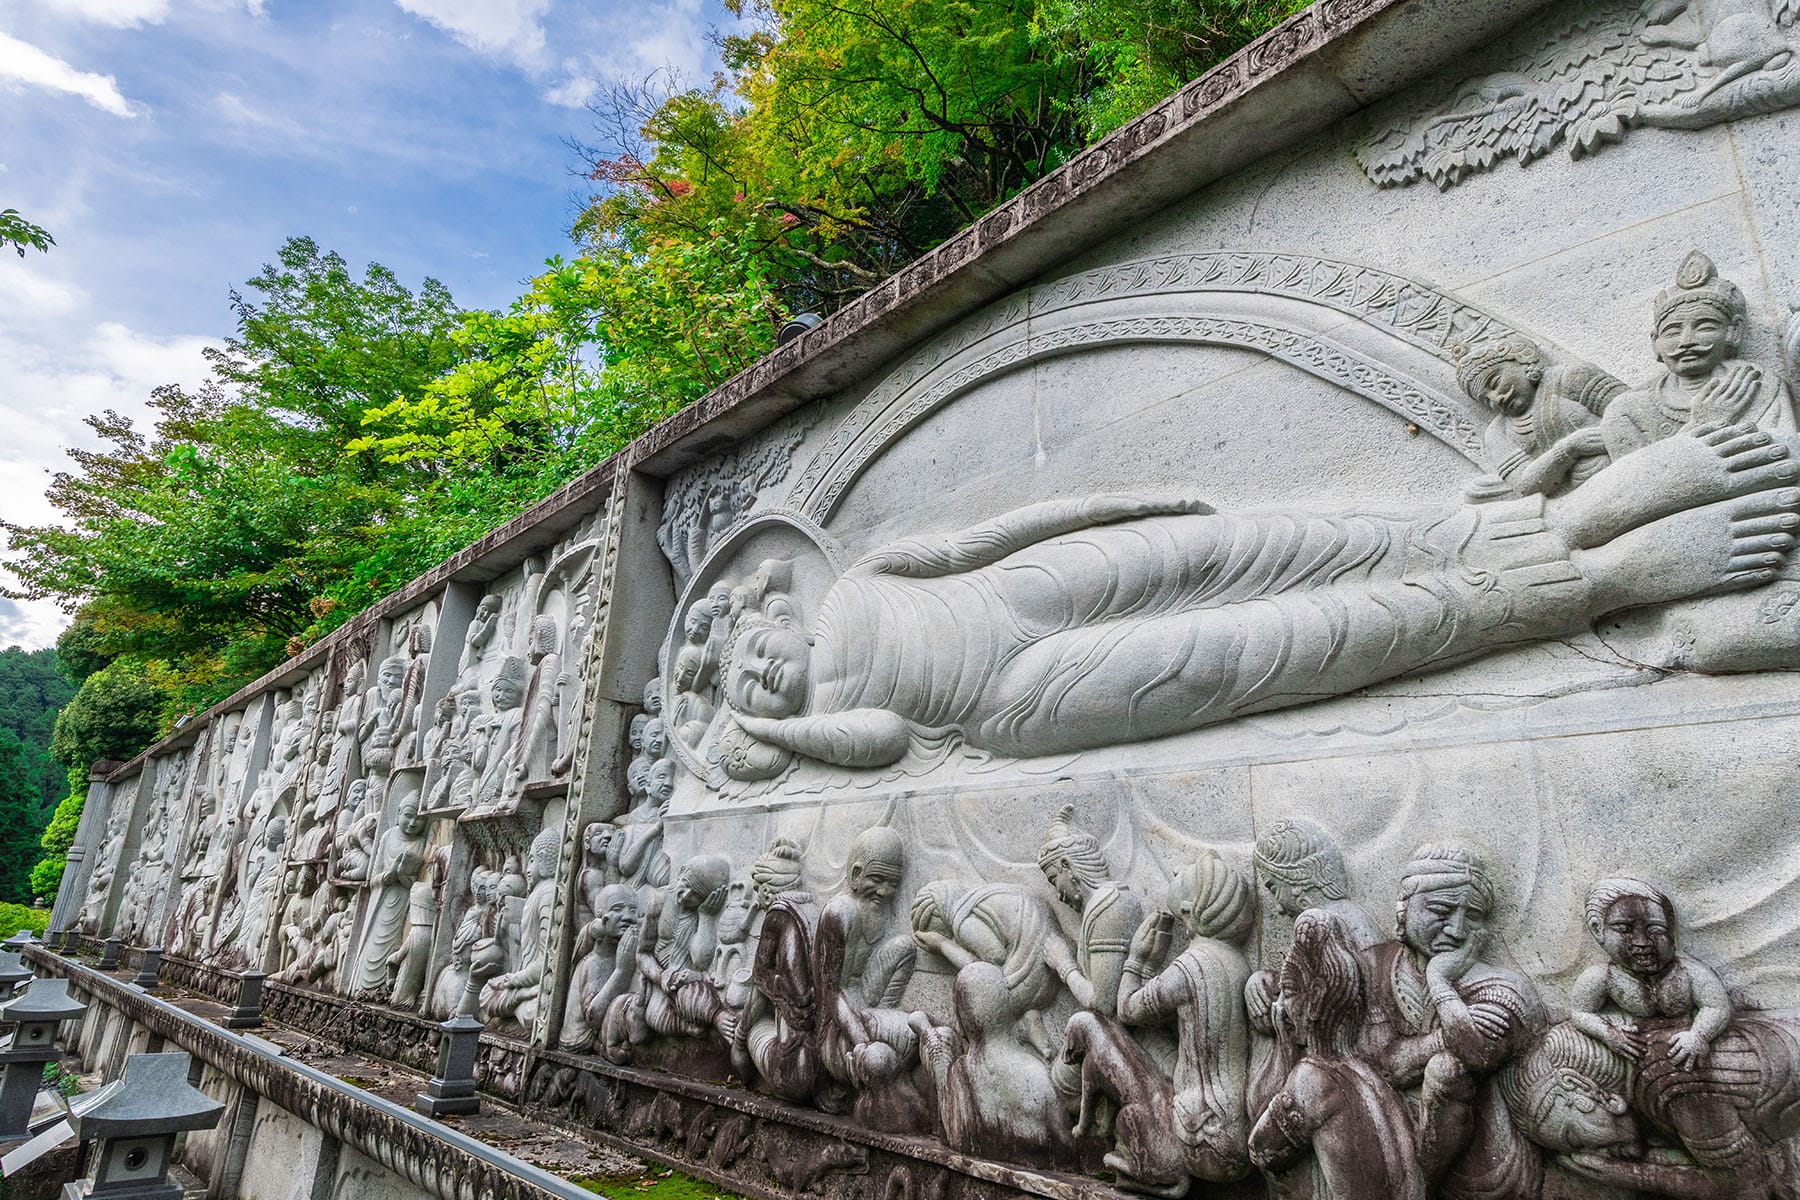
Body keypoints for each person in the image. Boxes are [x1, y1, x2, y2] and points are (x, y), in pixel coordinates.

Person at [711, 423, 1800, 776]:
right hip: (1017, 694)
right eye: (734, 688)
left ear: (768, 614)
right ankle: (1605, 579)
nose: (751, 671)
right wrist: (771, 725)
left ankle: (1585, 512)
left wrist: (1123, 501)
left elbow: (978, 538)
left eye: (743, 655)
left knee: (1281, 547)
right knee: (1280, 644)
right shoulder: (817, 712)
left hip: (1018, 592)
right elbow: (885, 740)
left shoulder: (853, 581)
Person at [1362, 846, 1545, 1200]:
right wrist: (1452, 1032)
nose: (1458, 929)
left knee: (1448, 1069)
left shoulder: (1504, 987)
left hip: (1488, 1169)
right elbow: (1383, 1065)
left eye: (1473, 916)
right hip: (1387, 1141)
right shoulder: (1373, 968)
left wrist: (1440, 982)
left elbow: (1479, 1055)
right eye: (1441, 910)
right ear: (1404, 907)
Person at [1248, 912, 1424, 1200]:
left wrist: (1285, 1046)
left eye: (1288, 992)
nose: (1280, 1005)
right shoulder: (1369, 1073)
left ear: (1315, 998)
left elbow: (1261, 1151)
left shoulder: (1313, 1080)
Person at [1602, 250, 1796, 457]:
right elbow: (1632, 483)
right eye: (1673, 332)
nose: (1686, 342)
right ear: (1655, 342)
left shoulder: (1758, 384)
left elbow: (1785, 453)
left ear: (1734, 331)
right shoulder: (1627, 409)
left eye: (1705, 328)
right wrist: (1704, 422)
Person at [1453, 336, 1620, 496]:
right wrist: (1570, 447)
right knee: (1477, 490)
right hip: (1571, 495)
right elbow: (1524, 487)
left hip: (1617, 462)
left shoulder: (1571, 377)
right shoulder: (1497, 432)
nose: (1496, 399)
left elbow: (1633, 408)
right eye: (1486, 400)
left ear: (1522, 360)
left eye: (1496, 383)